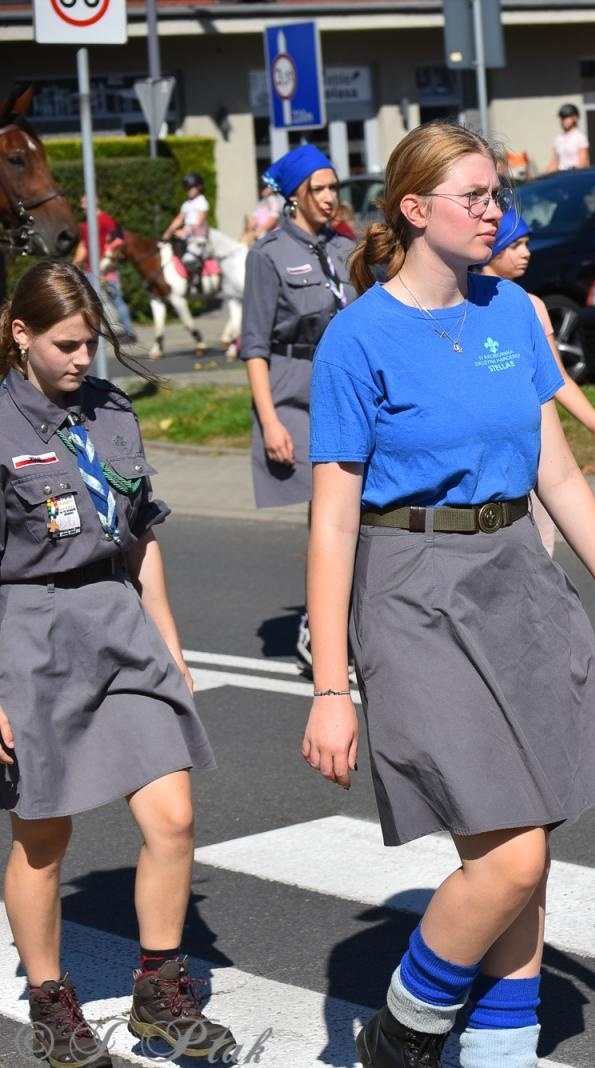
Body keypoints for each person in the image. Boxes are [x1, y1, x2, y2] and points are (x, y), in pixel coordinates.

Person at [302, 119, 595, 1068]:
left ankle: (500, 1051)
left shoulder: (512, 310)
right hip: (414, 591)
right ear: (416, 210)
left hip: (516, 574)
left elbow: (553, 471)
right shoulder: (358, 340)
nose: (494, 212)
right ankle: (404, 1034)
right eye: (475, 196)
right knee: (511, 855)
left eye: (498, 195)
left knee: (523, 842)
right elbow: (334, 522)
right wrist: (331, 689)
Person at [0, 261, 234, 1066]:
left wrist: (169, 642)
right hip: (31, 635)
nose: (80, 360)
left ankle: (159, 996)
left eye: (91, 344)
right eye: (64, 344)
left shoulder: (111, 410)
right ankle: (52, 1004)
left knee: (171, 816)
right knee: (44, 836)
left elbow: (140, 535)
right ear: (21, 334)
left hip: (120, 622)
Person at [240, 144, 356, 674]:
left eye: (335, 187)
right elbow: (254, 346)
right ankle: (320, 625)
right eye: (321, 188)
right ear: (295, 196)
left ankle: (347, 615)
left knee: (354, 502)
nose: (331, 198)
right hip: (293, 390)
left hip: (345, 384)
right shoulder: (267, 255)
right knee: (326, 507)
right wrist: (269, 421)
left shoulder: (344, 248)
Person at [480, 207, 595, 553]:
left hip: (536, 446)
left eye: (527, 244)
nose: (526, 253)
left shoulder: (533, 305)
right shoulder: (464, 305)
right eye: (515, 245)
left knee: (542, 545)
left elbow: (556, 377)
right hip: (493, 450)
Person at [71, 195, 135, 341]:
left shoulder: (105, 219)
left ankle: (129, 331)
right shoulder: (85, 225)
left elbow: (118, 242)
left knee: (115, 299)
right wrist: (74, 264)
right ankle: (102, 332)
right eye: (82, 203)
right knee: (93, 301)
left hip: (106, 270)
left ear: (96, 201)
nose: (82, 206)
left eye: (85, 202)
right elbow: (84, 246)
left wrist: (109, 263)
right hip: (89, 270)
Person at [160, 172, 210, 294]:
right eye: (187, 188)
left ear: (198, 187)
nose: (188, 191)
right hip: (187, 234)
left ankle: (196, 279)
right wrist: (168, 232)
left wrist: (184, 231)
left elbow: (199, 222)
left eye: (190, 188)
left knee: (190, 255)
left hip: (198, 235)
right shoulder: (186, 204)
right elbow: (179, 219)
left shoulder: (202, 202)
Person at [546, 104, 589, 172]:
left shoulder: (580, 137)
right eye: (562, 118)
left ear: (575, 118)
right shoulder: (558, 139)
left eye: (566, 117)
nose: (563, 120)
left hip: (574, 176)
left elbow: (583, 163)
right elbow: (554, 163)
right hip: (560, 176)